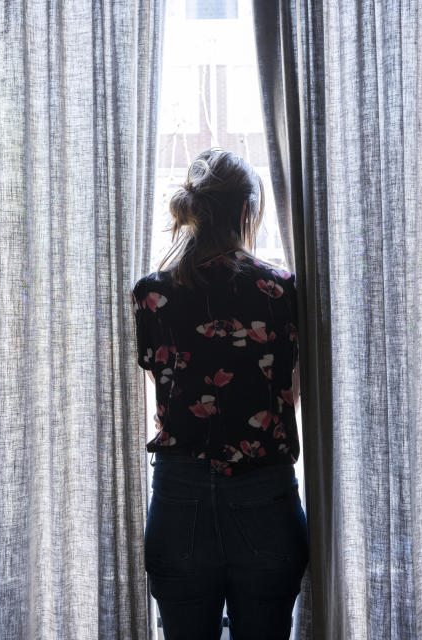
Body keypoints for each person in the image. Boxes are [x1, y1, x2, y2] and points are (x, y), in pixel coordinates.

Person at [130, 148, 308, 639]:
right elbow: (288, 392)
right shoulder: (280, 289)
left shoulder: (152, 294)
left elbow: (165, 389)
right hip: (264, 493)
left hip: (180, 494)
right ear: (247, 209)